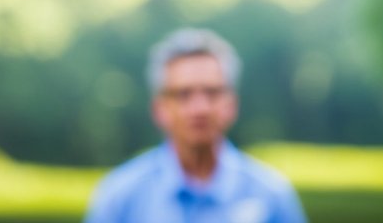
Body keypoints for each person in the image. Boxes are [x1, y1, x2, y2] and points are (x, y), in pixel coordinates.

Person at [85, 27, 307, 223]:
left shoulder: (272, 195)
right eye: (183, 94)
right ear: (159, 109)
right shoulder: (120, 197)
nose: (200, 107)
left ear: (231, 104)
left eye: (212, 92)